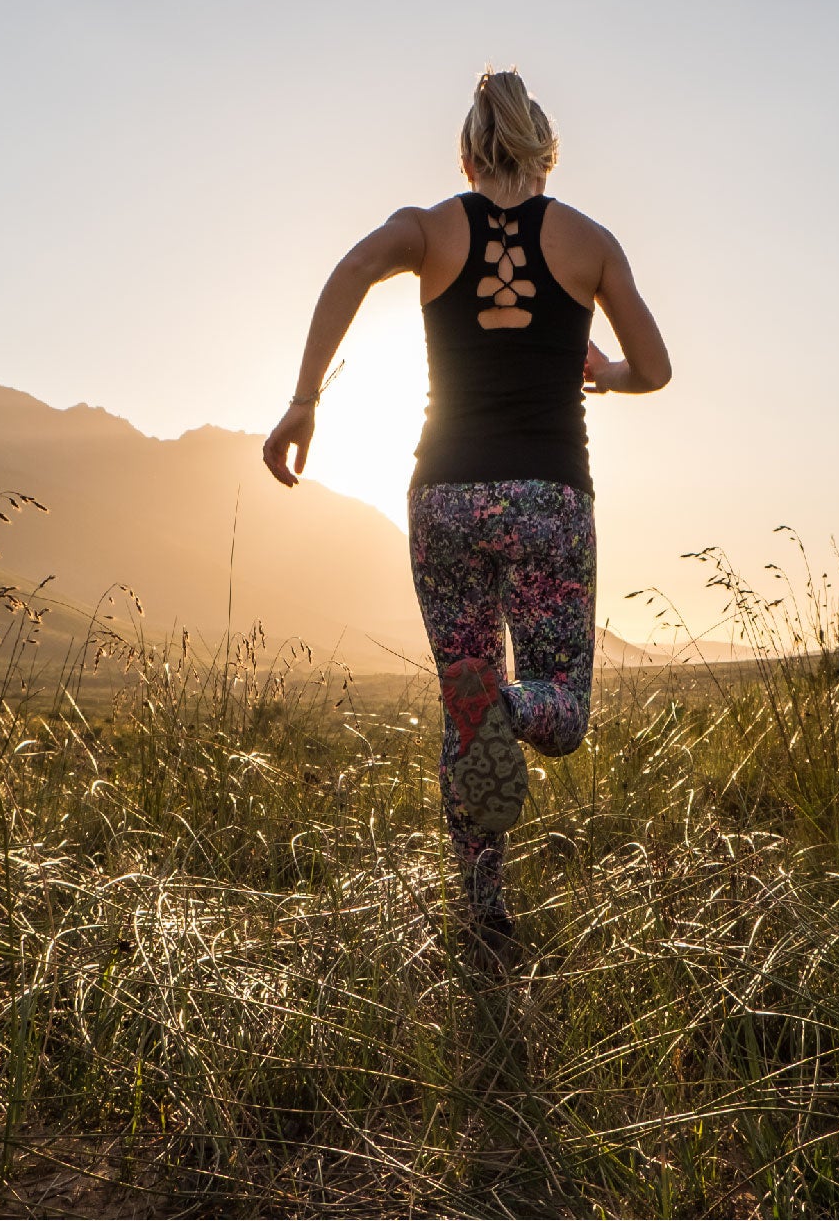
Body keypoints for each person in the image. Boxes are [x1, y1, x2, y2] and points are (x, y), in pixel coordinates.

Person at [262, 69, 671, 947]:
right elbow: (657, 367)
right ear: (546, 151)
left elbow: (350, 268)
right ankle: (510, 708)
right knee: (556, 705)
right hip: (548, 497)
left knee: (465, 703)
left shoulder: (428, 229)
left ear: (466, 150)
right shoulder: (591, 243)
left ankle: (484, 909)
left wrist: (306, 400)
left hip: (442, 495)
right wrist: (608, 373)